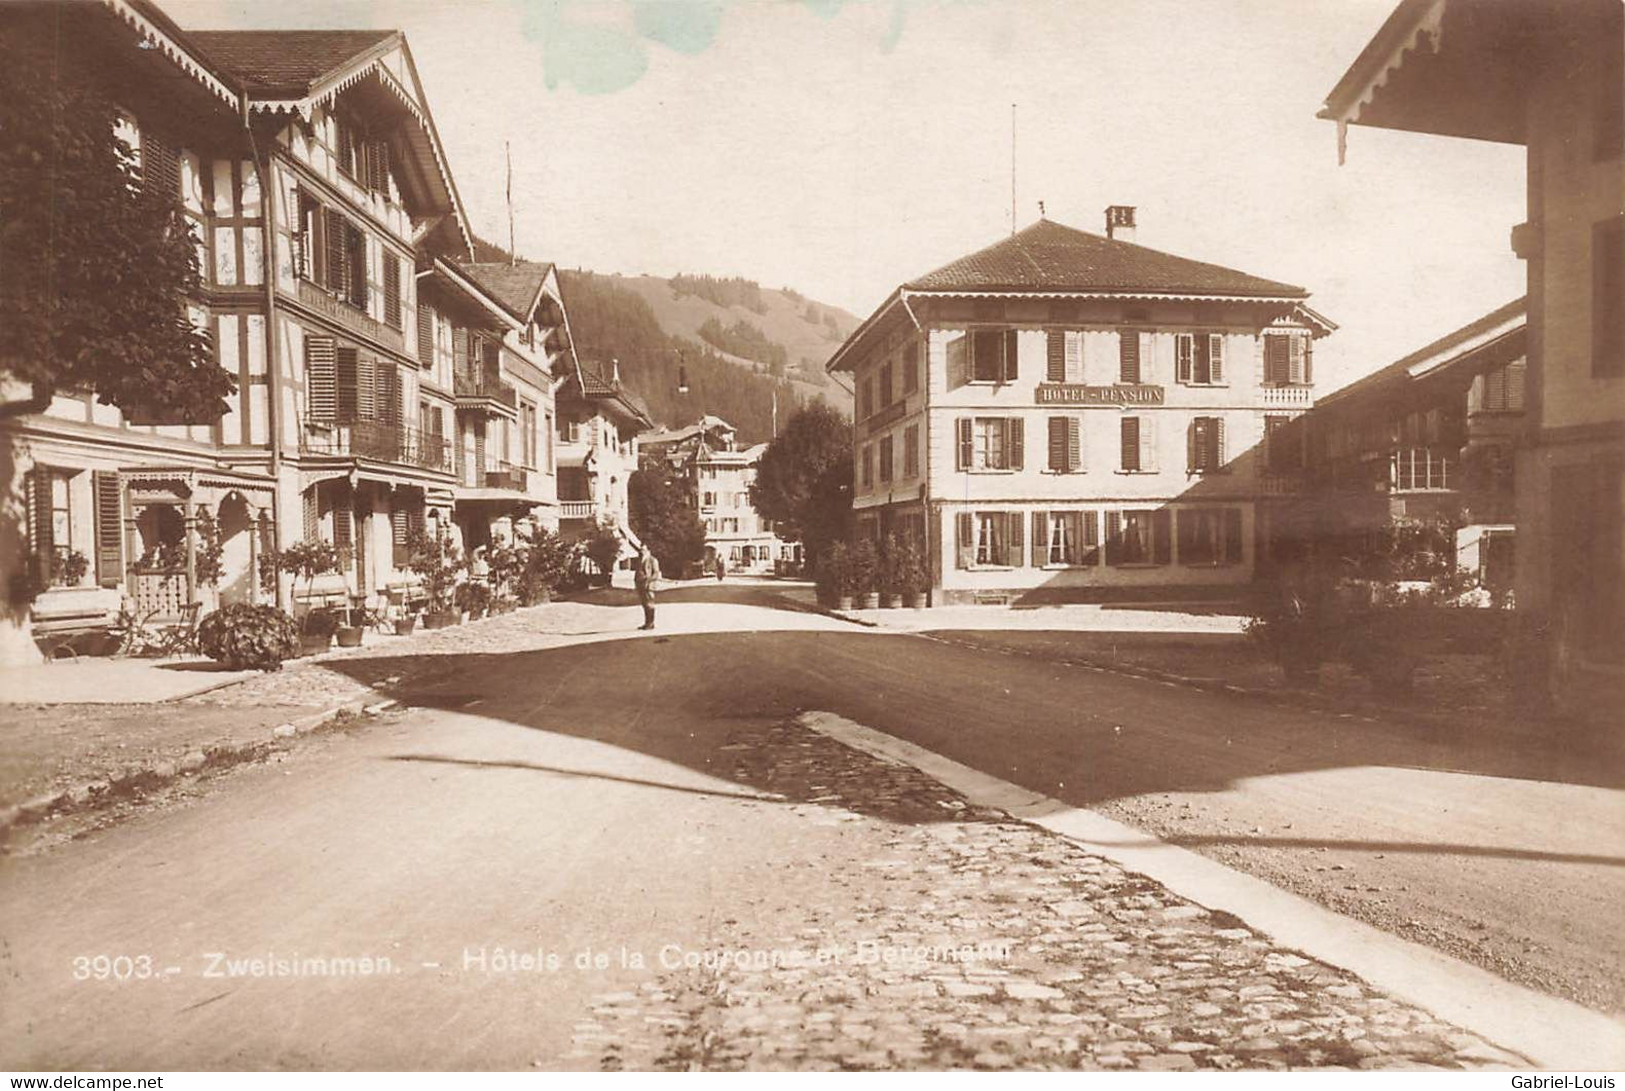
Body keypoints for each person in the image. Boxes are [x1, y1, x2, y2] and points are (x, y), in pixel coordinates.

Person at [635, 543, 659, 630]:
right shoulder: (639, 560)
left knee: (650, 605)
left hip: (649, 586)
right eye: (640, 550)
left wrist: (648, 580)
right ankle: (647, 623)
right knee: (645, 605)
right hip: (641, 586)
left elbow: (656, 574)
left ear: (648, 551)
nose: (641, 552)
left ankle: (651, 623)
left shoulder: (653, 560)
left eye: (643, 550)